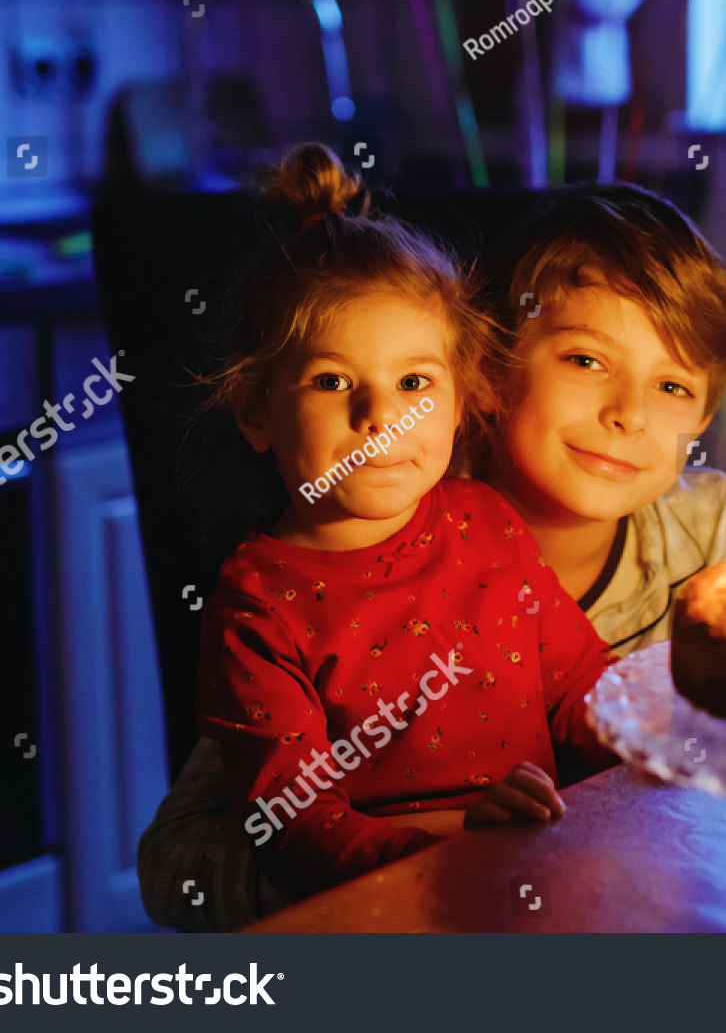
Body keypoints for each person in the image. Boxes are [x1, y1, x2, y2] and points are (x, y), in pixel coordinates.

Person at [140, 178, 726, 929]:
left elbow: (596, 690)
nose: (627, 414)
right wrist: (456, 846)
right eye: (586, 361)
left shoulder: (683, 534)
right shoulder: (271, 596)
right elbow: (196, 857)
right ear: (490, 374)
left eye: (671, 384)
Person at [186, 144, 619, 905]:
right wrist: (458, 837)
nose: (381, 416)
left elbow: (582, 684)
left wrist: (670, 746)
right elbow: (293, 827)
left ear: (458, 401)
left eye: (414, 381)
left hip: (538, 882)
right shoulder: (256, 609)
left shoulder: (487, 520)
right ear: (257, 409)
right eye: (332, 381)